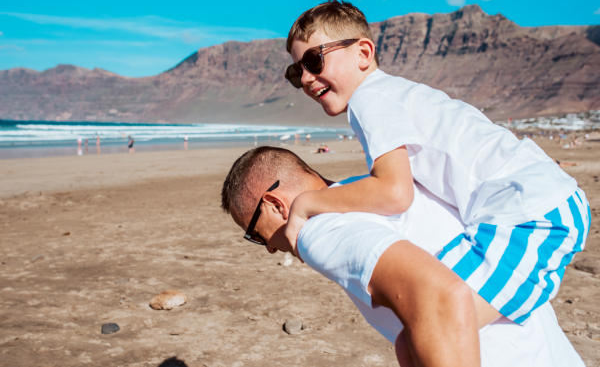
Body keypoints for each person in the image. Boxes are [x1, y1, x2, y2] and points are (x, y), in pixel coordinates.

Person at [282, 0, 590, 326]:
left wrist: (306, 203)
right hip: (524, 207)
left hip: (530, 214)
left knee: (439, 323)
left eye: (314, 60)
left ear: (364, 52)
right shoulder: (390, 94)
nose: (308, 79)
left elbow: (394, 193)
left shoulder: (370, 100)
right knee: (422, 330)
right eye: (297, 73)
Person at [220, 146, 584, 367]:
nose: (268, 247)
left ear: (274, 203)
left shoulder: (320, 230)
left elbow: (441, 296)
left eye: (254, 233)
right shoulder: (371, 192)